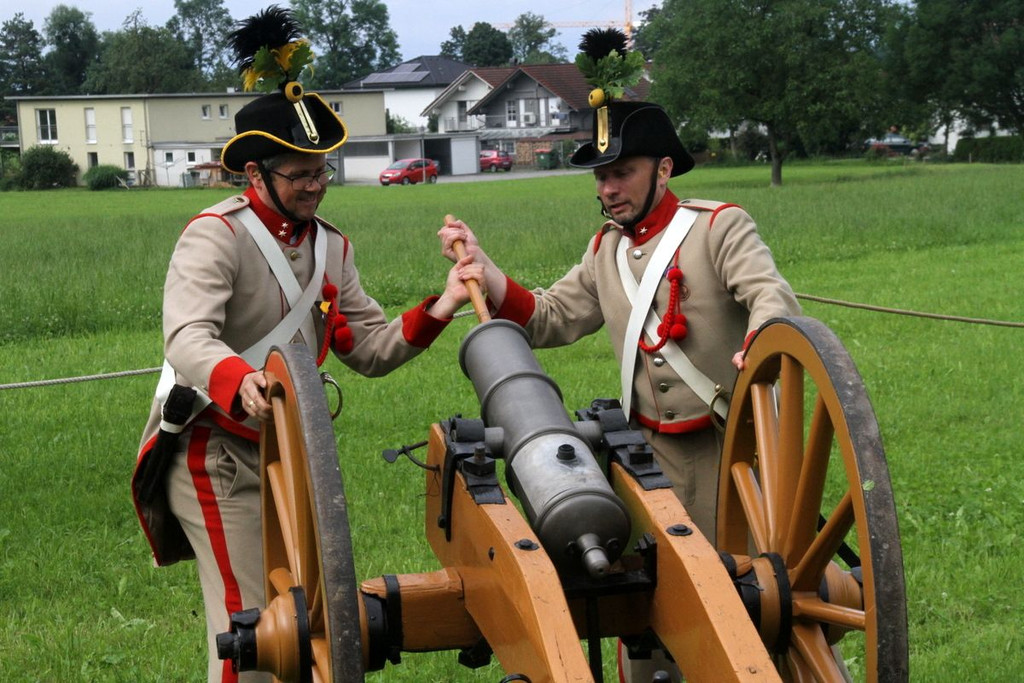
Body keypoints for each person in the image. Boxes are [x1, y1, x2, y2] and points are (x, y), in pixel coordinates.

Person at [440, 29, 801, 683]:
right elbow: (549, 317)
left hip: (729, 453)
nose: (609, 188)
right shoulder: (605, 250)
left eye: (622, 172)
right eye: (602, 176)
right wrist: (486, 271)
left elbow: (771, 298)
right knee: (646, 609)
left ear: (663, 168)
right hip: (646, 459)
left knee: (748, 607)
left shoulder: (718, 227)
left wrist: (759, 339)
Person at [130, 8, 480, 682]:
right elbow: (187, 336)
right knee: (257, 634)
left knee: (304, 624)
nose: (316, 185)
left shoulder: (331, 247)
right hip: (214, 452)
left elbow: (368, 347)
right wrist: (238, 378)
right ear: (255, 173)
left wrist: (443, 303)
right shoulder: (216, 235)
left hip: (289, 456)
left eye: (322, 170)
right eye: (300, 174)